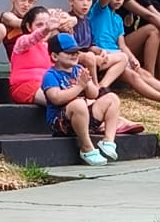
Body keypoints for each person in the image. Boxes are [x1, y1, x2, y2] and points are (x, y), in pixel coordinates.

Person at [41, 33, 122, 167]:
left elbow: (93, 95)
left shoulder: (78, 70)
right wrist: (79, 87)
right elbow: (56, 98)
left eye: (76, 52)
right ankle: (87, 148)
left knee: (112, 99)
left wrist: (87, 84)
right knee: (78, 104)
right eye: (69, 52)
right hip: (61, 124)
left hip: (83, 118)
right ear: (54, 56)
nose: (74, 55)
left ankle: (108, 141)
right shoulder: (50, 75)